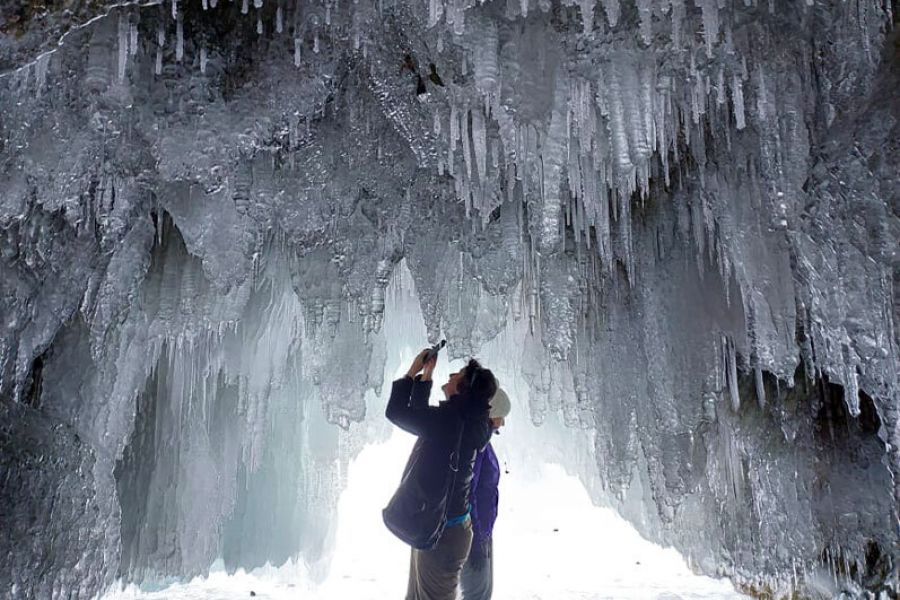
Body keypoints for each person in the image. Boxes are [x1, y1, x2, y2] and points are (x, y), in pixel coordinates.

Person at [385, 350, 498, 600]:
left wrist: (412, 371)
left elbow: (397, 412)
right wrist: (427, 374)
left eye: (459, 374)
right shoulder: (474, 423)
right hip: (444, 527)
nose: (452, 374)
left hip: (440, 532)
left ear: (463, 389)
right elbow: (422, 418)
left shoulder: (449, 422)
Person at [460, 387, 510, 600]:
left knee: (480, 593)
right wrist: (477, 539)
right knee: (477, 594)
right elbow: (468, 492)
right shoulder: (476, 445)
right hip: (474, 533)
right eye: (501, 416)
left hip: (480, 532)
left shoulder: (481, 442)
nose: (503, 423)